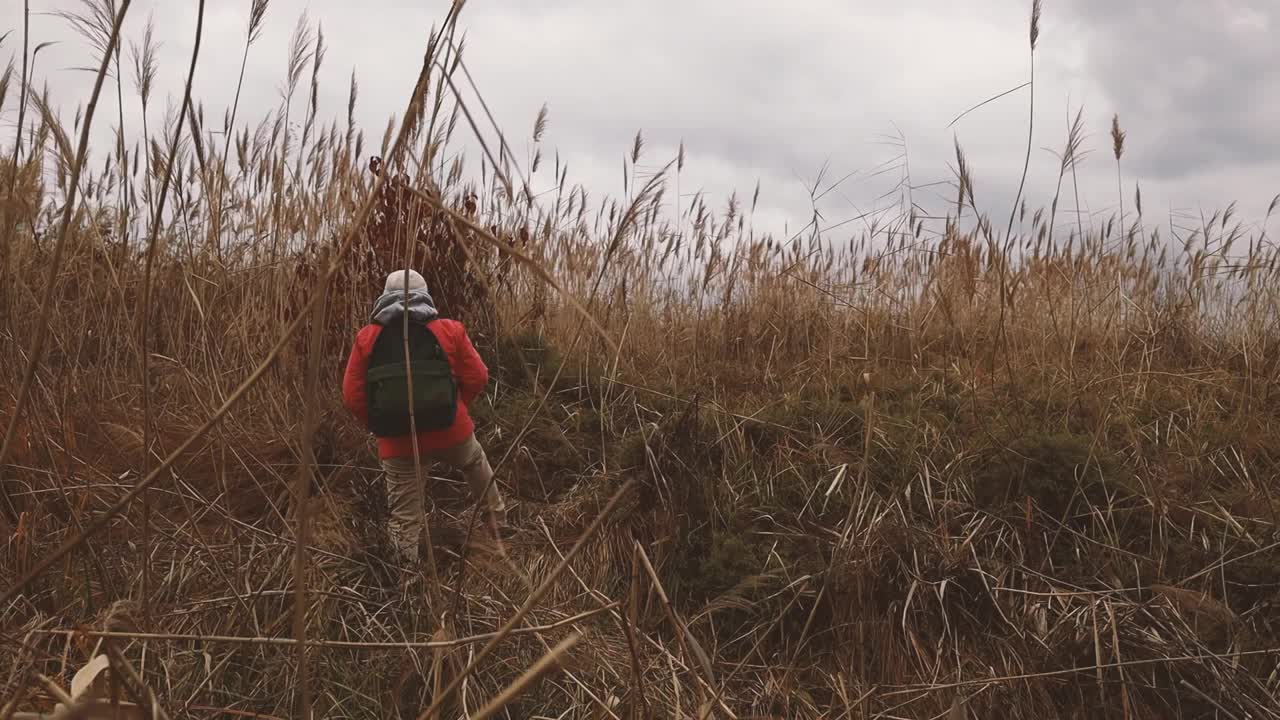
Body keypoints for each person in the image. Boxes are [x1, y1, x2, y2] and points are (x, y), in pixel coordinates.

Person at [341, 269, 506, 565]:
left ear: (384, 298)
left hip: (398, 443)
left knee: (404, 517)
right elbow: (479, 377)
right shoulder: (449, 330)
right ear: (426, 295)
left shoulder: (367, 338)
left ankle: (406, 580)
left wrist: (382, 425)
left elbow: (352, 397)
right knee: (474, 462)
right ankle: (496, 522)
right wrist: (457, 408)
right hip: (451, 431)